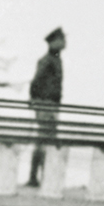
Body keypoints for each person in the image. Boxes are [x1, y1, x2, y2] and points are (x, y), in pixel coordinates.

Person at [27, 27, 66, 188]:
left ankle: (39, 176)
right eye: (61, 39)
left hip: (52, 104)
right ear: (53, 42)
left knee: (45, 140)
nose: (64, 42)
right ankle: (36, 177)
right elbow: (36, 81)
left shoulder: (55, 60)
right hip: (46, 104)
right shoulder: (48, 60)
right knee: (44, 140)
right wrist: (35, 99)